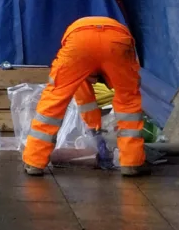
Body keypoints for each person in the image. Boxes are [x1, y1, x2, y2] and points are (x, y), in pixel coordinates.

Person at [23, 15, 148, 177]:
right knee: (128, 101)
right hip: (117, 40)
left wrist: (94, 128)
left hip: (78, 40)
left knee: (54, 101)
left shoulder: (80, 73)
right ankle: (131, 164)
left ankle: (34, 162)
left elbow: (86, 101)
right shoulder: (108, 67)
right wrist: (97, 131)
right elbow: (89, 101)